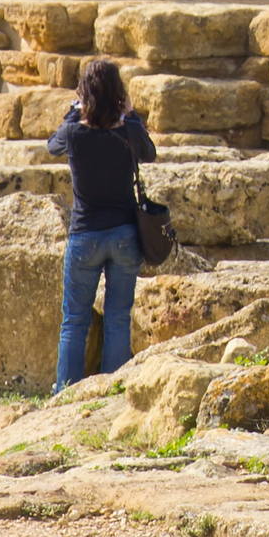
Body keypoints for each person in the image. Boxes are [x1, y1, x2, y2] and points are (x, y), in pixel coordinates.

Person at [48, 57, 156, 388]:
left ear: (84, 95)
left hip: (85, 236)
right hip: (125, 234)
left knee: (74, 322)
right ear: (118, 93)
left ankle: (65, 394)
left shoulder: (73, 133)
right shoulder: (130, 131)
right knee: (118, 320)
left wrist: (73, 112)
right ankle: (111, 392)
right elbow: (149, 153)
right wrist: (132, 114)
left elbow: (52, 146)